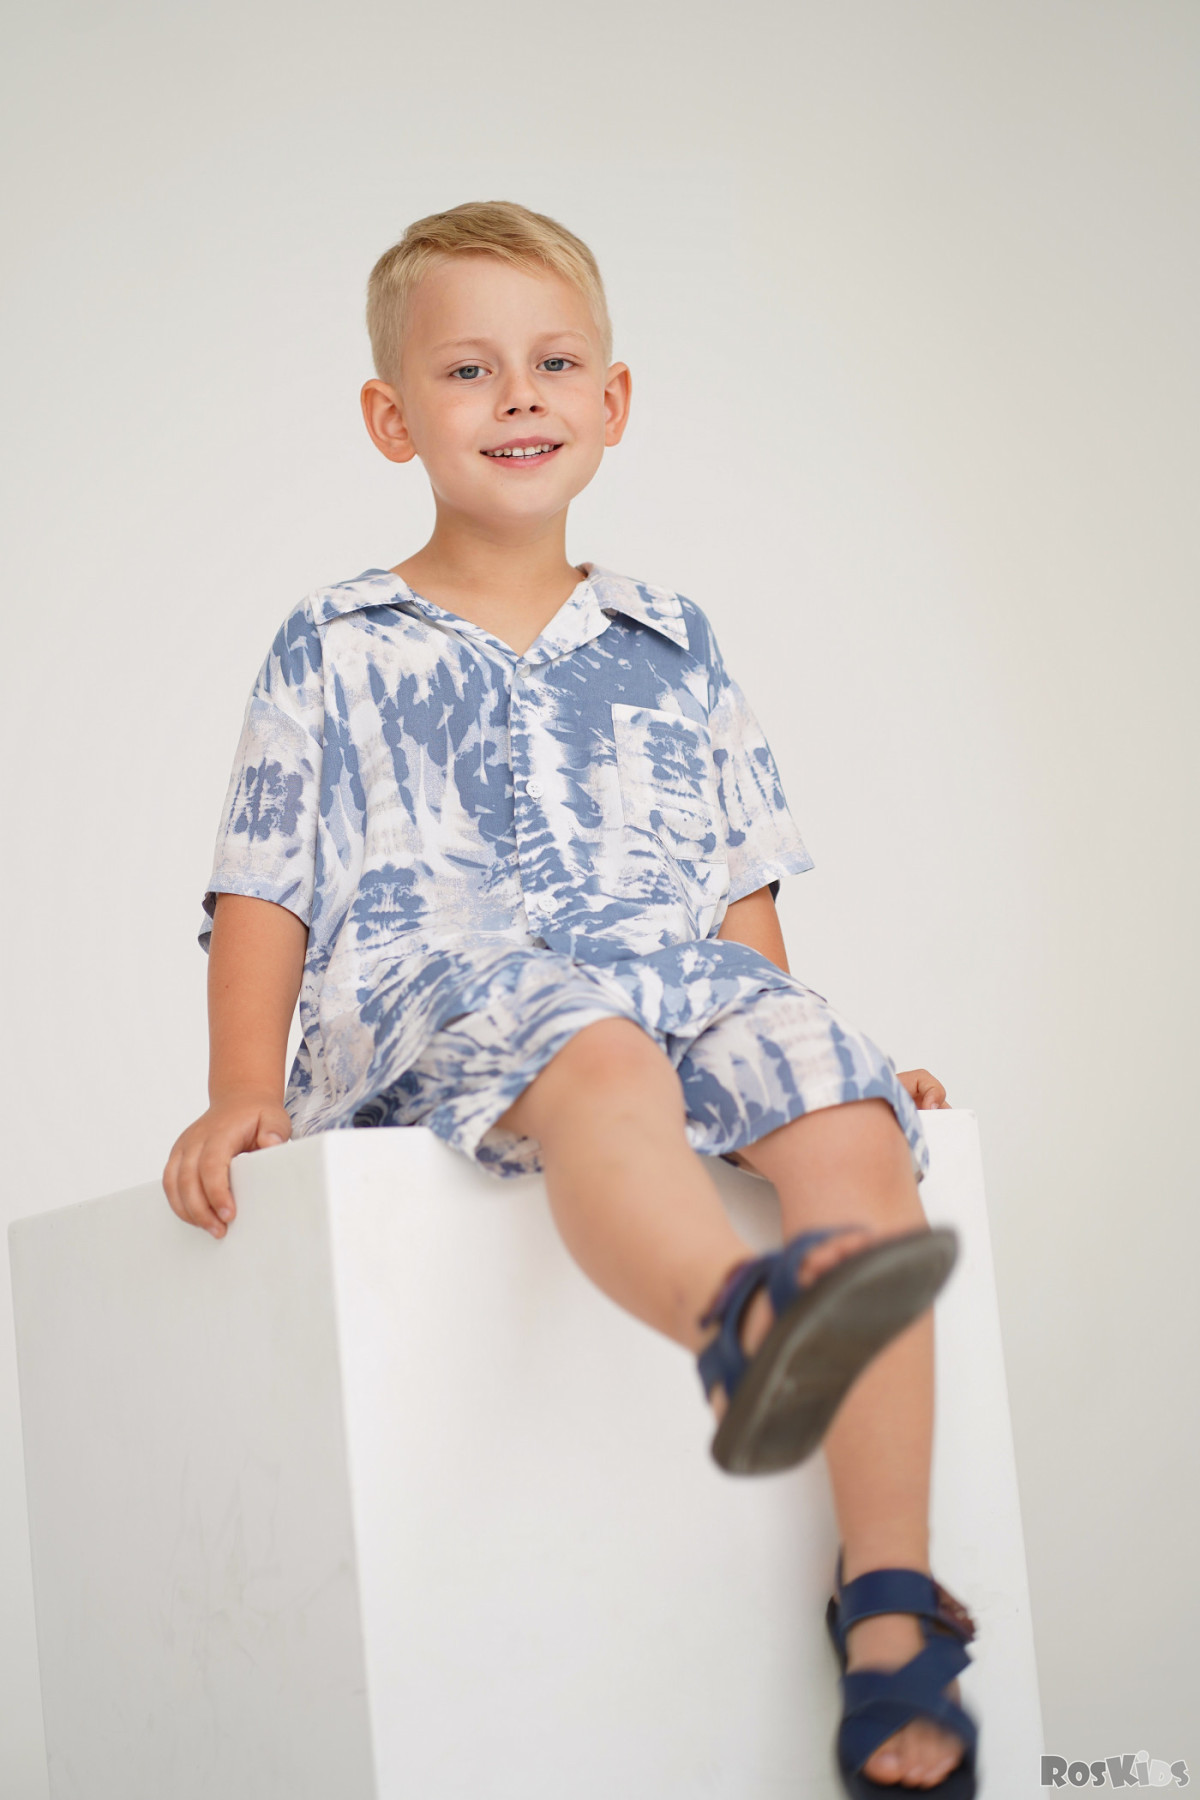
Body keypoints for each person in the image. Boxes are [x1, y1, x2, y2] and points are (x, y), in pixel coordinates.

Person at [162, 200, 979, 1796]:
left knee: (836, 1097)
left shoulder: (673, 639)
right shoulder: (335, 641)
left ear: (613, 402)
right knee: (600, 1055)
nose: (517, 396)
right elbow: (264, 877)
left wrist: (811, 1057)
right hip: (442, 993)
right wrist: (239, 1083)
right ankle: (741, 1319)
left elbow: (739, 894)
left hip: (675, 976)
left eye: (552, 364)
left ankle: (890, 1602)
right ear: (393, 417)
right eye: (468, 369)